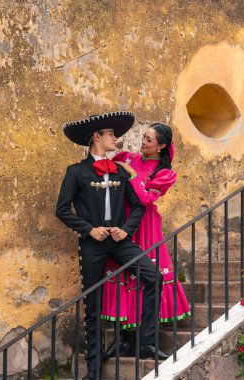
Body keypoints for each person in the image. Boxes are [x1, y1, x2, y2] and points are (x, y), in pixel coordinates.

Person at [56, 112, 167, 380]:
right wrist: (88, 229)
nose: (115, 139)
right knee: (93, 306)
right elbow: (62, 210)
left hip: (120, 242)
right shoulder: (76, 171)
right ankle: (93, 371)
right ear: (97, 137)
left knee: (153, 277)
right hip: (93, 244)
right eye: (111, 135)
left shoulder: (119, 170)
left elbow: (139, 205)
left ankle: (144, 339)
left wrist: (125, 229)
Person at [102, 122, 191, 359]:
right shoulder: (127, 157)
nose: (143, 142)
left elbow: (144, 199)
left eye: (149, 140)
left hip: (146, 226)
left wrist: (131, 174)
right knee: (122, 275)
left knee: (150, 278)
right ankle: (122, 340)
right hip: (121, 221)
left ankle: (147, 341)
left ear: (161, 146)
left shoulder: (165, 174)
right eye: (143, 137)